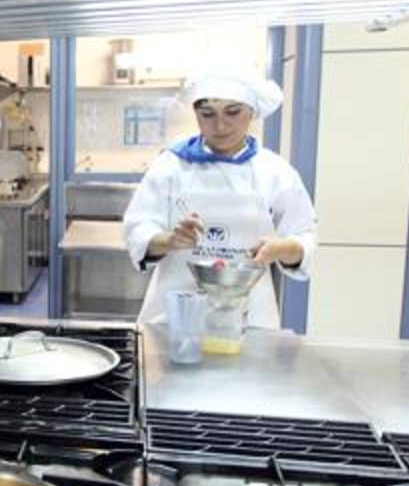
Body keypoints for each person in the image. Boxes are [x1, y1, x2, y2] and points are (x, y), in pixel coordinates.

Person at [122, 68, 317, 327]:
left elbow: (304, 237)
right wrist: (170, 240)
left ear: (252, 112)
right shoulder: (170, 166)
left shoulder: (275, 172)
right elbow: (138, 232)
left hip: (249, 322)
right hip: (174, 321)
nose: (220, 125)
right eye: (207, 114)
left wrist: (281, 249)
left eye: (233, 112)